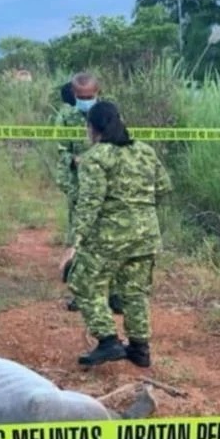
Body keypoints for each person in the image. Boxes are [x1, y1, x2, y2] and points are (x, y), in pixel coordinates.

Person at [59, 101, 172, 368]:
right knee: (135, 292)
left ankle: (108, 340)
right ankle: (139, 349)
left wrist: (73, 245)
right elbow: (164, 187)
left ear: (92, 129)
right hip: (146, 235)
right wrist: (139, 207)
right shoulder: (145, 151)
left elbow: (89, 203)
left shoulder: (95, 157)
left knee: (83, 284)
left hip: (110, 236)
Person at [53, 72, 124, 316]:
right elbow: (60, 150)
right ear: (74, 94)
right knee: (80, 238)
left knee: (111, 237)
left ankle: (114, 293)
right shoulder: (65, 115)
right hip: (79, 186)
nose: (86, 100)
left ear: (98, 92)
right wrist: (75, 160)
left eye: (90, 96)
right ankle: (80, 292)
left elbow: (120, 142)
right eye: (81, 96)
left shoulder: (109, 111)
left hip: (107, 185)